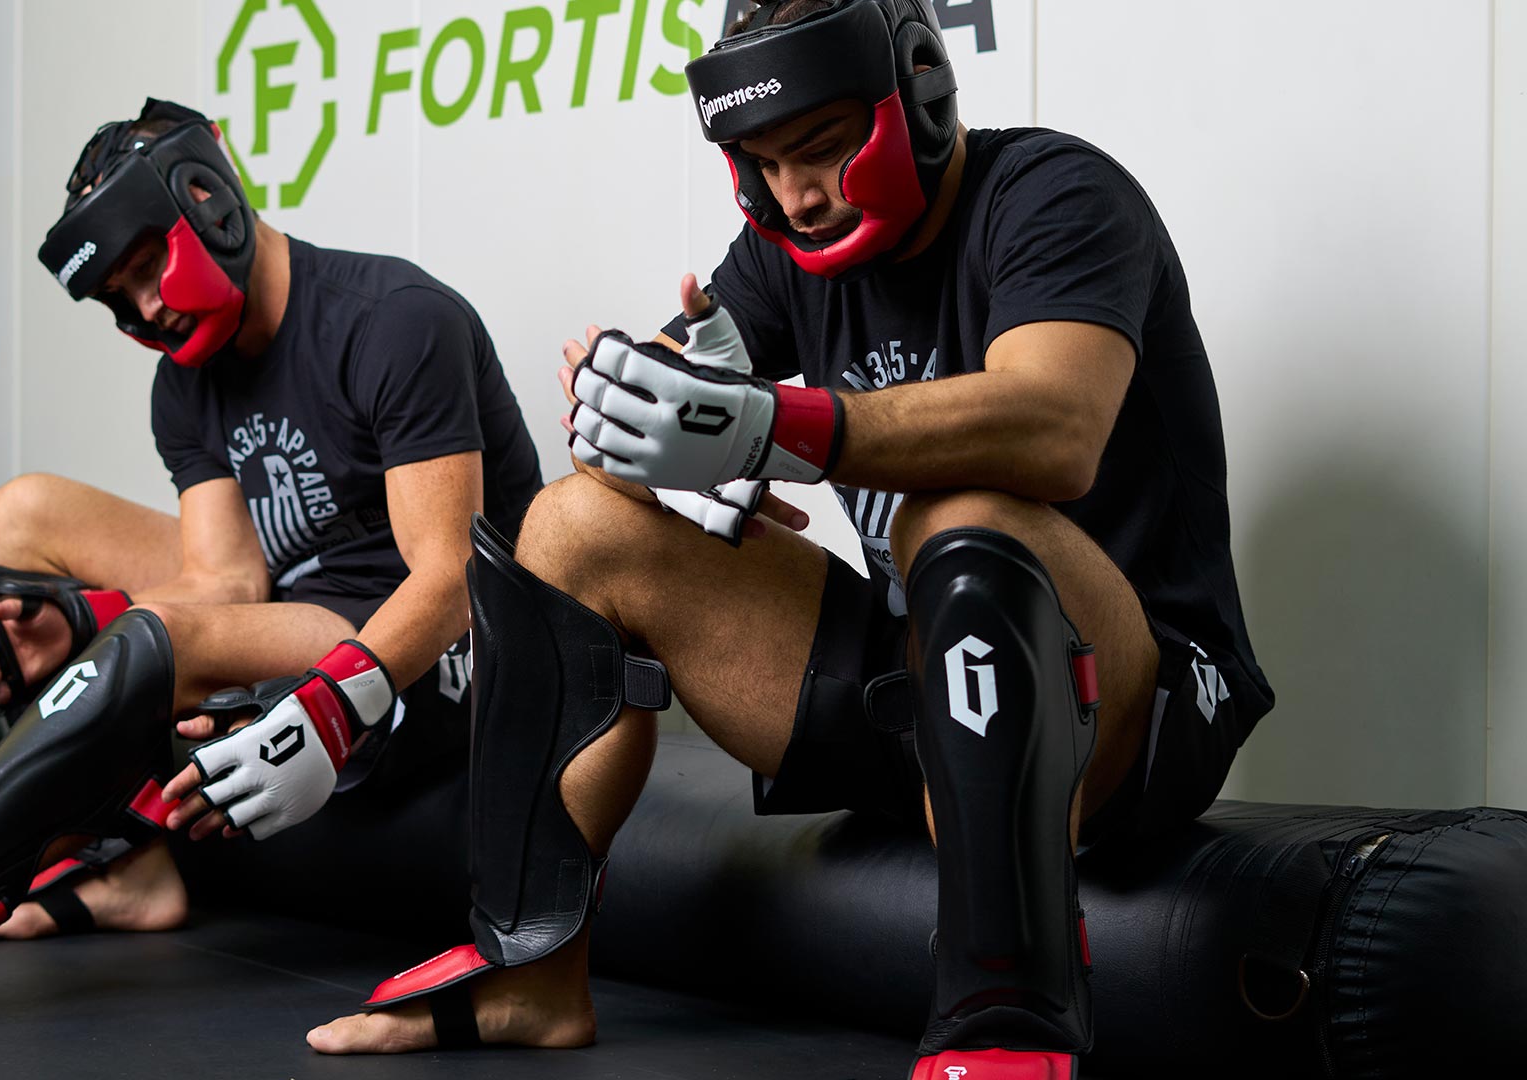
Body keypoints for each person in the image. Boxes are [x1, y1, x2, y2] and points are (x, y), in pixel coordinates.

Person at [311, 2, 1271, 1076]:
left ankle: (1009, 1021)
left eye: (822, 150)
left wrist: (780, 429)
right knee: (571, 526)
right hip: (915, 692)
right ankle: (529, 968)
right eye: (760, 164)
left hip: (1133, 705)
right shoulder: (781, 251)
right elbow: (644, 435)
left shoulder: (1054, 196)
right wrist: (636, 428)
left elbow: (1056, 429)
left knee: (957, 516)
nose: (795, 194)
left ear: (919, 94)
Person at [0, 97, 541, 1029]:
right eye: (121, 292)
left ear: (207, 198)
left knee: (160, 633)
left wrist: (310, 701)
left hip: (440, 651)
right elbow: (227, 583)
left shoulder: (394, 320)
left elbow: (448, 579)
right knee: (20, 517)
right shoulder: (185, 385)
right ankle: (135, 870)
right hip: (301, 606)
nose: (149, 304)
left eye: (149, 263)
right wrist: (79, 624)